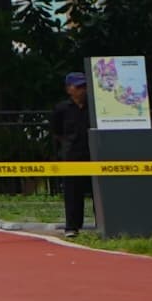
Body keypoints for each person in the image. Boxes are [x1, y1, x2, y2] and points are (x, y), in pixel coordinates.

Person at [49, 71, 95, 237]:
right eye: (79, 87)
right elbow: (56, 130)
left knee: (98, 189)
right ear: (69, 89)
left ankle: (102, 224)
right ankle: (72, 226)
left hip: (93, 153)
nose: (83, 90)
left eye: (84, 86)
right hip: (72, 154)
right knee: (73, 191)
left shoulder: (94, 107)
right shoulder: (62, 109)